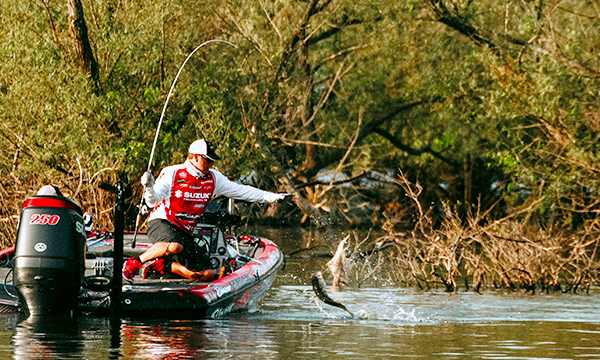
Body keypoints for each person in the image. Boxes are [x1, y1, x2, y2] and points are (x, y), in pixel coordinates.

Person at [122, 139, 290, 281]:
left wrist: (273, 197)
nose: (211, 163)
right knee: (174, 247)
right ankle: (134, 263)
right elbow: (152, 202)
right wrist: (149, 186)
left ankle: (165, 266)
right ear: (195, 157)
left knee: (208, 274)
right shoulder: (173, 173)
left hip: (184, 231)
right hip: (162, 221)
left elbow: (242, 191)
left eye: (212, 160)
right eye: (208, 160)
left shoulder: (214, 178)